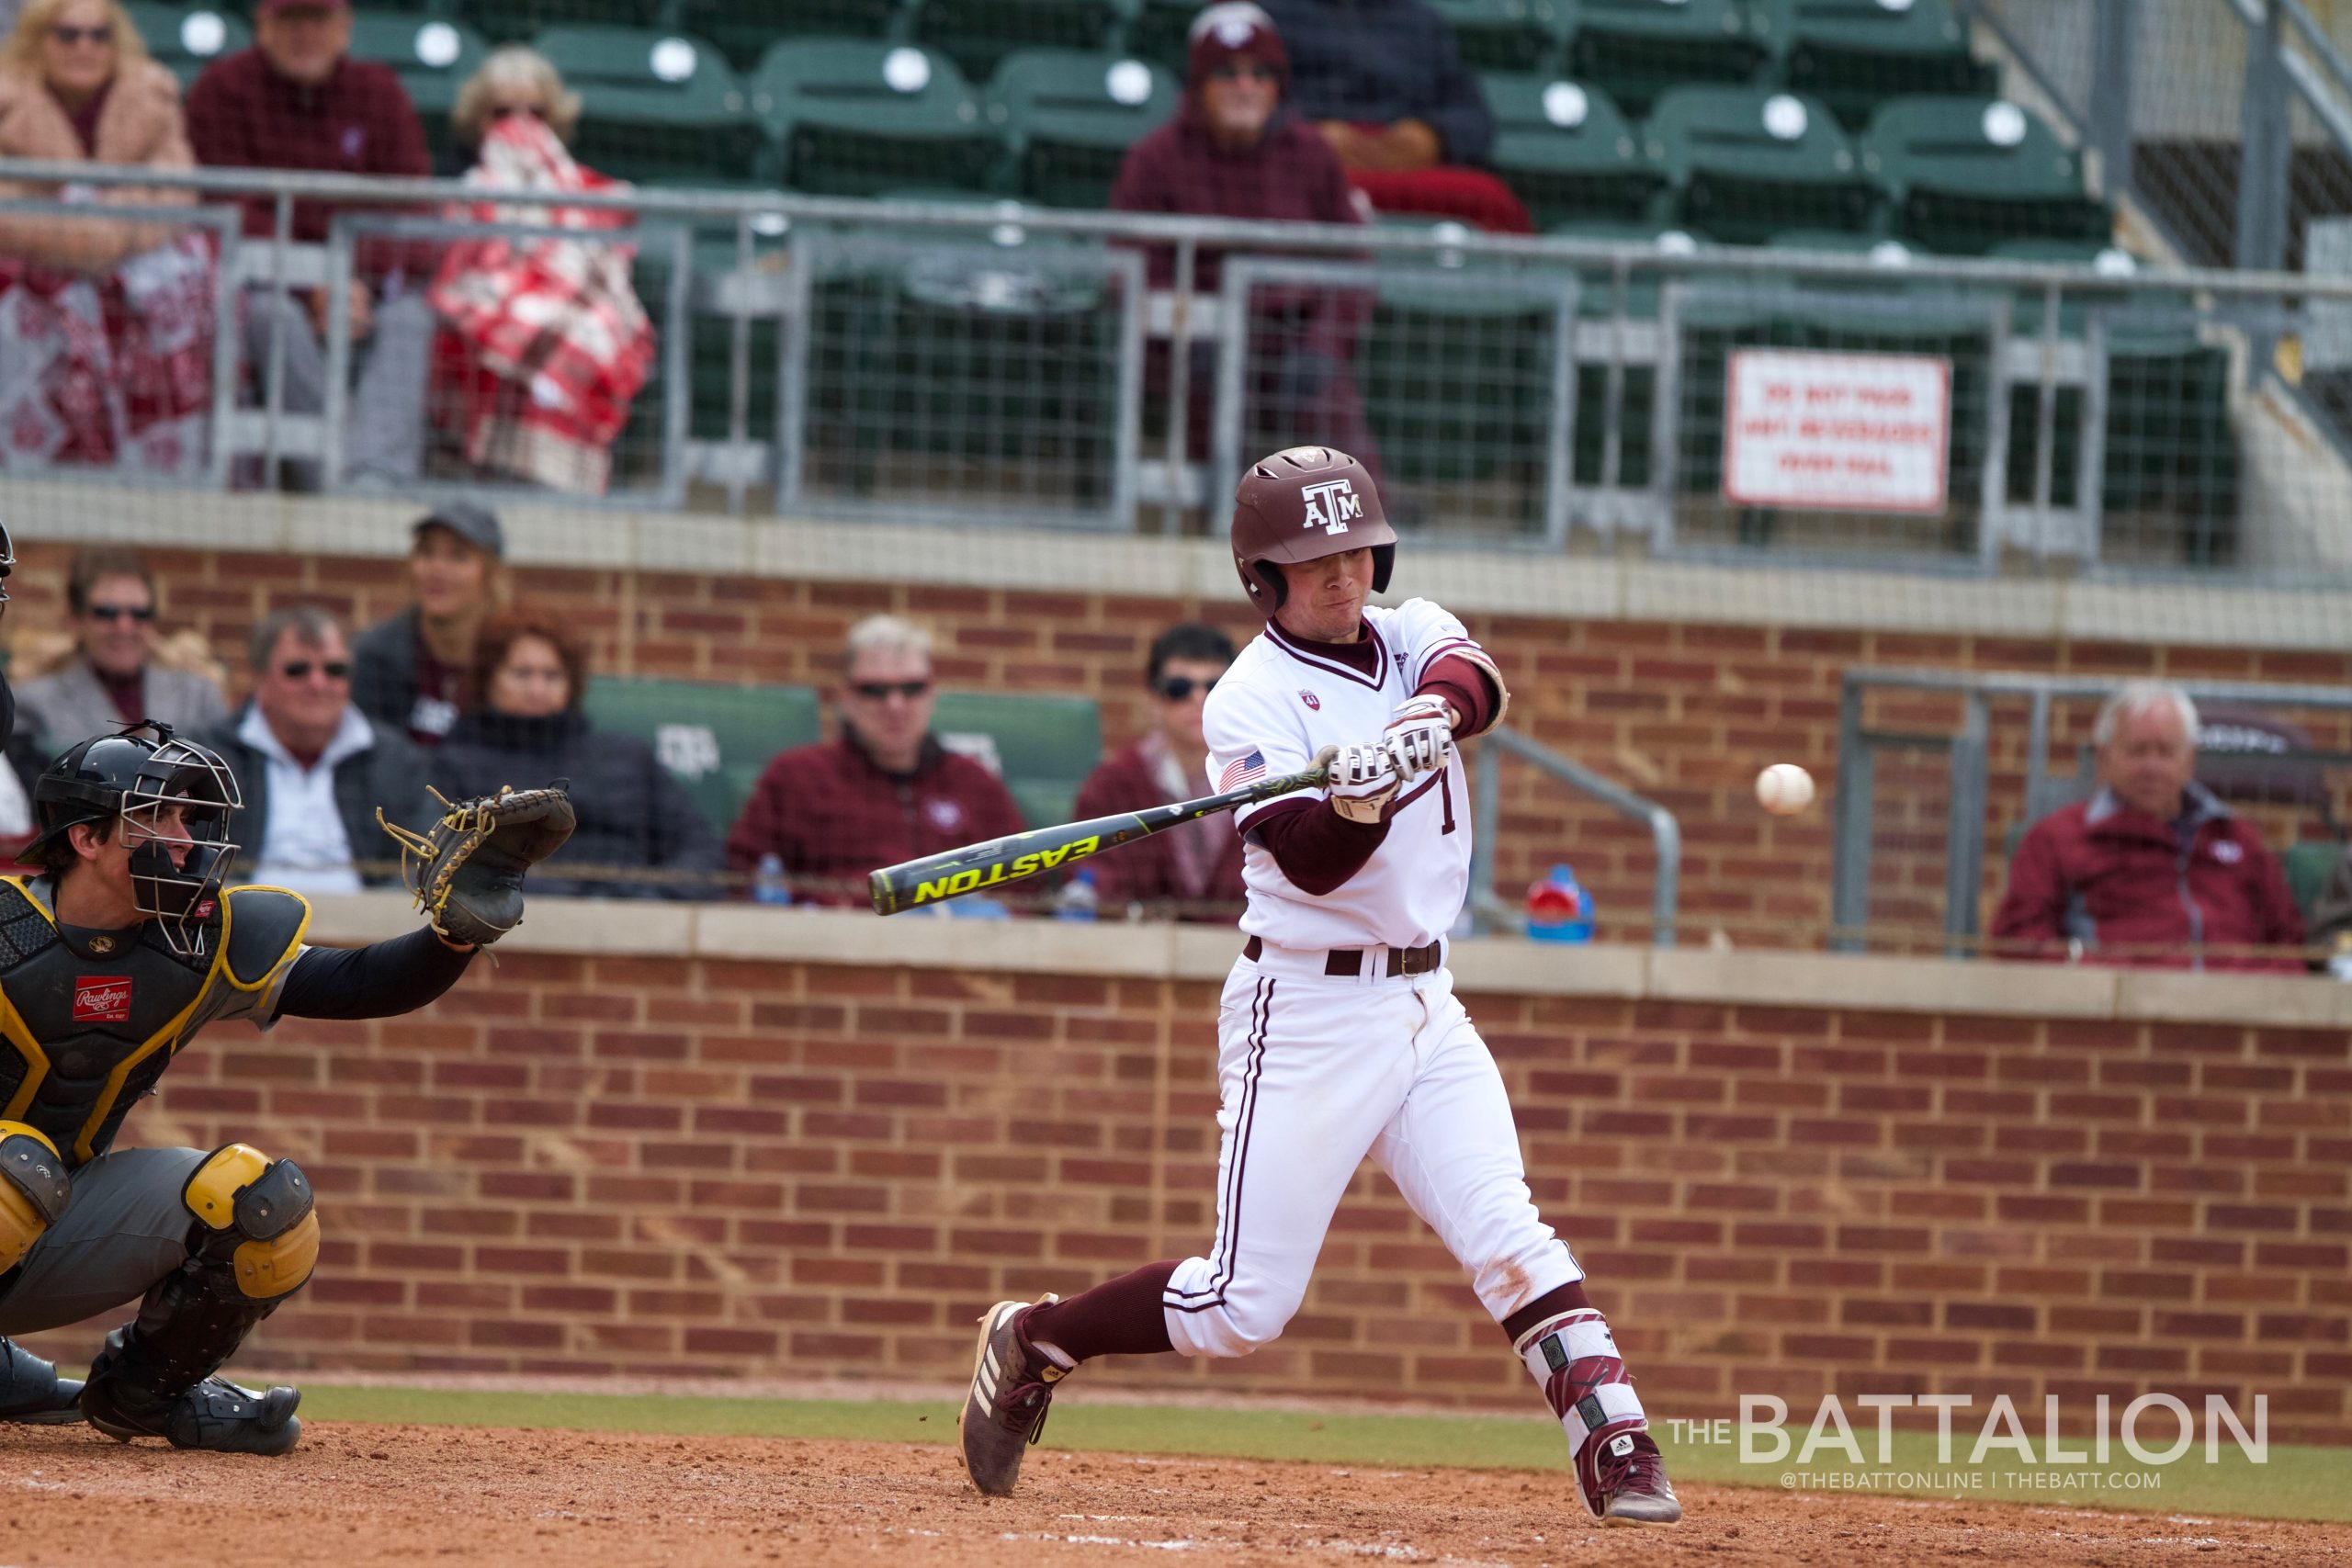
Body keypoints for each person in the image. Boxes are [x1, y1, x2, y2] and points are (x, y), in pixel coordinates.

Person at [954, 446, 1680, 1528]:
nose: (1342, 574)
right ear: (1266, 577)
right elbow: (1305, 861)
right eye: (1313, 558)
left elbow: (1472, 683)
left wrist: (1416, 728)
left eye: (1354, 549)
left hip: (1427, 1004)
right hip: (1304, 1012)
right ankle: (1036, 1338)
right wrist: (1353, 804)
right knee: (1242, 1306)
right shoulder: (1247, 702)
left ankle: (1616, 1444)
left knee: (1506, 1232)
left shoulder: (1414, 630)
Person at [0, 722, 566, 1451]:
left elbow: (356, 983)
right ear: (86, 839)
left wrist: (451, 937)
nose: (183, 836)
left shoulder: (199, 937)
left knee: (261, 1203)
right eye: (157, 815)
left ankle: (145, 1393)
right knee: (17, 1169)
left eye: (186, 816)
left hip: (48, 1210)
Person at [1112, 4, 1384, 477]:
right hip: (1197, 346)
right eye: (1226, 73)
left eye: (1260, 73)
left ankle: (1364, 524)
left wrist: (1323, 346)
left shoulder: (1312, 155)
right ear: (1199, 85)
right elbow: (1127, 264)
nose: (1245, 87)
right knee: (1225, 433)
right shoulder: (1155, 157)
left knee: (1331, 411)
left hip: (1296, 339)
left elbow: (1354, 264)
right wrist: (1184, 335)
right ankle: (1233, 530)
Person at [187, 0, 435, 485]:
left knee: (412, 318)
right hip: (266, 282)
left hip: (363, 290)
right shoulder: (223, 88)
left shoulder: (378, 92)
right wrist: (310, 283)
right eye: (290, 20)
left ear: (344, 28)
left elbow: (413, 210)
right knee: (267, 315)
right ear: (263, 25)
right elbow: (221, 204)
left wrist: (353, 280)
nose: (305, 34)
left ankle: (373, 476)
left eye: (317, 19)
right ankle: (333, 478)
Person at [0, 0, 215, 475]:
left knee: (184, 279)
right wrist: (81, 236)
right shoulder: (6, 100)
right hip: (32, 273)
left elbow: (174, 195)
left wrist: (100, 234)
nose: (85, 47)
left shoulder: (152, 98)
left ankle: (163, 472)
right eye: (69, 35)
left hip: (130, 263)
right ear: (38, 40)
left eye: (100, 35)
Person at [427, 47, 655, 495]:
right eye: (504, 112)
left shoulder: (580, 185)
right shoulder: (460, 179)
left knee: (590, 327)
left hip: (563, 304)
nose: (521, 124)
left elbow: (594, 266)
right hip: (480, 312)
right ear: (478, 119)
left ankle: (558, 479)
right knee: (505, 325)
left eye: (536, 112)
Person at [1991, 681, 2305, 971]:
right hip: (2115, 1014)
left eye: (2166, 751)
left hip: (2236, 1011)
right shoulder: (2059, 837)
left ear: (2190, 760)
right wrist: (2091, 972)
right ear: (2103, 757)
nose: (2151, 767)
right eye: (2137, 751)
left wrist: (2253, 985)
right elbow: (2019, 942)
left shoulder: (2237, 836)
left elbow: (2291, 945)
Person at [727, 615, 1026, 908]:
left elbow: (1027, 893)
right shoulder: (798, 777)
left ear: (932, 695)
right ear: (846, 698)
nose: (895, 705)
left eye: (911, 689)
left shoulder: (973, 783)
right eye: (875, 690)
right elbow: (741, 881)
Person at [431, 609, 722, 899]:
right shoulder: (455, 765)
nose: (537, 688)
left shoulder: (626, 757)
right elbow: (442, 864)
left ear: (572, 684)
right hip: (502, 923)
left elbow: (700, 849)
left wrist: (652, 901)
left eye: (552, 675)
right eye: (522, 673)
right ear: (488, 680)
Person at [197, 606, 432, 895]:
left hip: (368, 933)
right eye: (298, 670)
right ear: (259, 679)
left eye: (335, 670)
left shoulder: (395, 759)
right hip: (237, 929)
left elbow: (428, 859)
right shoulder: (210, 757)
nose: (318, 684)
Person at [1258, 0, 1529, 232]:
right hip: (1306, 164)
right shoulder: (1267, 14)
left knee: (1490, 198)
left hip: (1406, 163)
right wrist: (1304, 136)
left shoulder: (1421, 20)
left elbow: (1473, 117)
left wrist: (1433, 137)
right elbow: (1235, 103)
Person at [1071, 622, 1246, 919]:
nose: (1199, 699)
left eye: (1214, 687)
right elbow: (1093, 885)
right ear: (1153, 701)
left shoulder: (1263, 778)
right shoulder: (1114, 783)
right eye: (1179, 688)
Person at [15, 547, 227, 749]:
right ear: (75, 619)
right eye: (107, 613)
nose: (125, 627)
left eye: (139, 613)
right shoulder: (34, 705)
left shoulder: (197, 697)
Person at [350, 502, 506, 747]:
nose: (437, 569)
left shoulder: (511, 658)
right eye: (426, 552)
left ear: (491, 573)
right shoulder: (375, 655)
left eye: (458, 556)